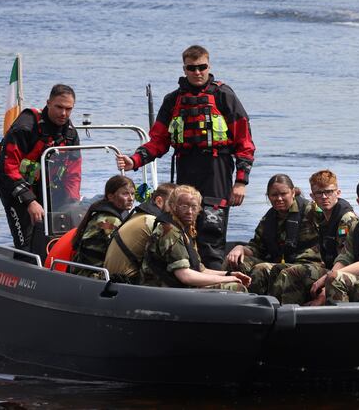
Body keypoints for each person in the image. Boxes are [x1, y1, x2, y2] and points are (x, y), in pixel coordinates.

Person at [115, 45, 255, 270]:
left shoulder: (224, 95)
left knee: (211, 230)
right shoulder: (173, 100)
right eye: (192, 68)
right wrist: (134, 160)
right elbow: (158, 140)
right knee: (183, 225)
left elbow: (245, 142)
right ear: (184, 68)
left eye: (202, 67)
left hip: (217, 170)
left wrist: (240, 181)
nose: (197, 72)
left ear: (209, 66)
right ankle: (186, 274)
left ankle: (214, 281)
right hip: (186, 167)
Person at [0, 84, 81, 259]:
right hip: (16, 189)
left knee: (60, 236)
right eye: (59, 107)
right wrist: (29, 201)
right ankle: (24, 269)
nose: (63, 113)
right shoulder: (26, 127)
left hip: (49, 189)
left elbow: (73, 174)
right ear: (48, 103)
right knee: (27, 243)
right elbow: (7, 169)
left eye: (68, 109)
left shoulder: (70, 134)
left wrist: (72, 204)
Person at [270, 170, 358, 305]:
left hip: (345, 272)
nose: (324, 197)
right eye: (319, 193)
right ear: (313, 196)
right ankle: (273, 309)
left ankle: (290, 312)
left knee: (293, 272)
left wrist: (324, 291)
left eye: (328, 192)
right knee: (278, 269)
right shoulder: (323, 218)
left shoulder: (346, 219)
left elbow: (348, 260)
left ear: (338, 193)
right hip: (330, 268)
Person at [224, 174, 320, 296]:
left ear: (293, 192)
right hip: (280, 262)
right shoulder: (268, 219)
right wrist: (240, 248)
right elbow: (257, 247)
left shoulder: (312, 211)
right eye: (274, 195)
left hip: (308, 264)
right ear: (268, 197)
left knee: (262, 269)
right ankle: (227, 299)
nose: (279, 198)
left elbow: (331, 226)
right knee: (234, 261)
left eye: (283, 194)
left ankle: (261, 306)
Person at [141, 184, 250, 291]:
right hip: (162, 290)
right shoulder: (170, 231)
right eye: (184, 206)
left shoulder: (185, 230)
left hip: (178, 287)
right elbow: (185, 276)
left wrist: (229, 274)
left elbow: (200, 269)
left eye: (194, 207)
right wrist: (227, 279)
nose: (189, 212)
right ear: (173, 207)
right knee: (236, 288)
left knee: (237, 276)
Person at [103, 182, 176, 284]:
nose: (178, 208)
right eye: (174, 204)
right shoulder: (154, 223)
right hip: (126, 283)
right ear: (159, 201)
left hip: (111, 279)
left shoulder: (139, 214)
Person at [70, 175, 135, 276]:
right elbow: (124, 251)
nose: (131, 198)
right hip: (91, 274)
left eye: (132, 194)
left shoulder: (102, 212)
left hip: (83, 271)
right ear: (111, 196)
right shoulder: (110, 220)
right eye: (125, 194)